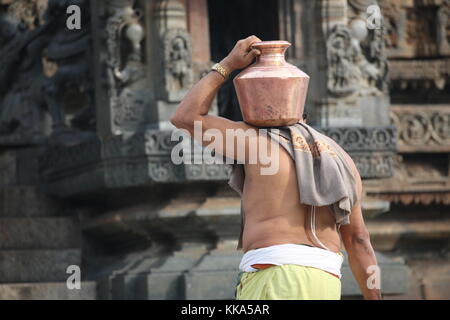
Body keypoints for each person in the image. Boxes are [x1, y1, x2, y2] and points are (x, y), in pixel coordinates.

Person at [170, 35, 382, 300]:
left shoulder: (253, 140)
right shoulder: (341, 158)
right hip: (325, 282)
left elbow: (185, 116)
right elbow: (359, 241)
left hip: (275, 278)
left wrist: (227, 64)